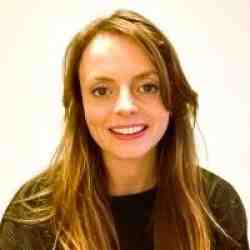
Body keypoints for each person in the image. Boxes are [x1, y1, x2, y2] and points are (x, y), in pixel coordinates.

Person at [0, 9, 249, 250]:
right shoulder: (33, 215)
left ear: (173, 96)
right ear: (80, 106)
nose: (126, 106)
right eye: (101, 90)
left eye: (148, 86)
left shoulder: (216, 205)